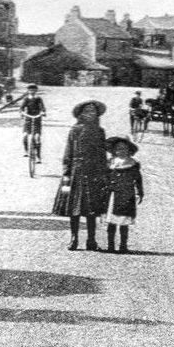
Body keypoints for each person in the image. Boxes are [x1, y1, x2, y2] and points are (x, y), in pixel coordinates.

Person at [52, 100, 109, 251]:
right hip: (77, 171)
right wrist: (66, 173)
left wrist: (104, 173)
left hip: (94, 172)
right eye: (87, 111)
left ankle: (91, 240)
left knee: (92, 208)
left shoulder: (100, 131)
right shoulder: (75, 130)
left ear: (97, 114)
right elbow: (68, 152)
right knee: (74, 208)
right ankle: (74, 238)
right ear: (81, 114)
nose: (90, 114)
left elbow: (102, 154)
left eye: (93, 111)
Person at [104, 135, 144, 254]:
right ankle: (110, 245)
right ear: (114, 151)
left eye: (124, 149)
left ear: (129, 150)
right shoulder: (111, 163)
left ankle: (123, 245)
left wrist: (139, 192)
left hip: (126, 195)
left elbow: (138, 179)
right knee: (111, 222)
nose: (121, 151)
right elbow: (105, 177)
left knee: (124, 222)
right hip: (113, 195)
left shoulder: (133, 164)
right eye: (118, 149)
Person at [18, 84, 46, 159]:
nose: (32, 92)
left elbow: (42, 107)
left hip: (37, 118)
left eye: (34, 90)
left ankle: (38, 156)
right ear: (28, 91)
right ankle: (26, 151)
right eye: (30, 90)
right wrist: (22, 113)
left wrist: (43, 112)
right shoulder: (26, 99)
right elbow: (22, 108)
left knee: (37, 137)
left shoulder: (38, 99)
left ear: (36, 91)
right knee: (25, 136)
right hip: (28, 119)